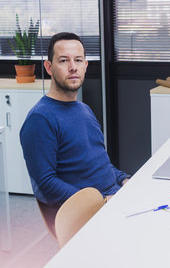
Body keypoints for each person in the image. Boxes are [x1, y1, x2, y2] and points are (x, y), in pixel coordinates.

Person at [20, 32, 129, 235]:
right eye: (63, 60)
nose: (73, 67)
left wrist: (124, 180)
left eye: (78, 60)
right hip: (87, 216)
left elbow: (97, 163)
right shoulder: (40, 119)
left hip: (112, 201)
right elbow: (46, 185)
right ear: (49, 67)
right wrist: (99, 203)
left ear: (85, 66)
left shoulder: (83, 110)